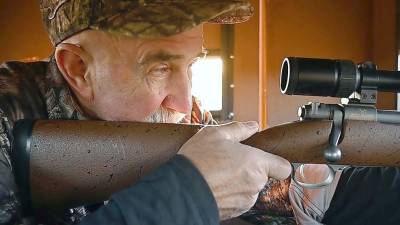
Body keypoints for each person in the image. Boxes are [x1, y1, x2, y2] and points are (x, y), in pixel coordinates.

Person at [0, 0, 292, 224]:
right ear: (79, 69)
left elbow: (256, 193)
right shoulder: (6, 118)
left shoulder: (188, 115)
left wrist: (310, 192)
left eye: (191, 65)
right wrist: (184, 195)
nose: (184, 102)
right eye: (160, 69)